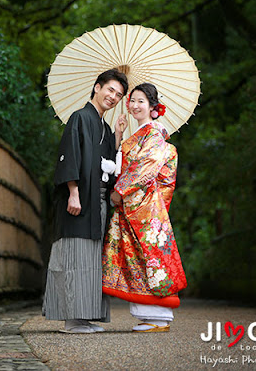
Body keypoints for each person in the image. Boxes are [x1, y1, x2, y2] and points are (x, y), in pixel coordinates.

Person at [43, 68, 128, 333]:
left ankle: (84, 316)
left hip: (98, 202)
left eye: (119, 94)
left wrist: (117, 135)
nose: (113, 97)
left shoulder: (102, 126)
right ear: (97, 87)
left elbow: (108, 163)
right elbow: (70, 155)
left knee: (91, 259)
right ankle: (71, 320)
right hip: (79, 199)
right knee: (74, 256)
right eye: (110, 90)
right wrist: (74, 192)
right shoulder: (79, 118)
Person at [102, 82, 187, 333]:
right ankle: (152, 317)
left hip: (144, 206)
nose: (135, 105)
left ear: (153, 107)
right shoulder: (139, 133)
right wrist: (118, 135)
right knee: (140, 259)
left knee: (149, 258)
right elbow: (126, 163)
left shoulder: (153, 134)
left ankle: (157, 317)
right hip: (138, 205)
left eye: (141, 101)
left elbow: (145, 167)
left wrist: (120, 190)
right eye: (132, 101)